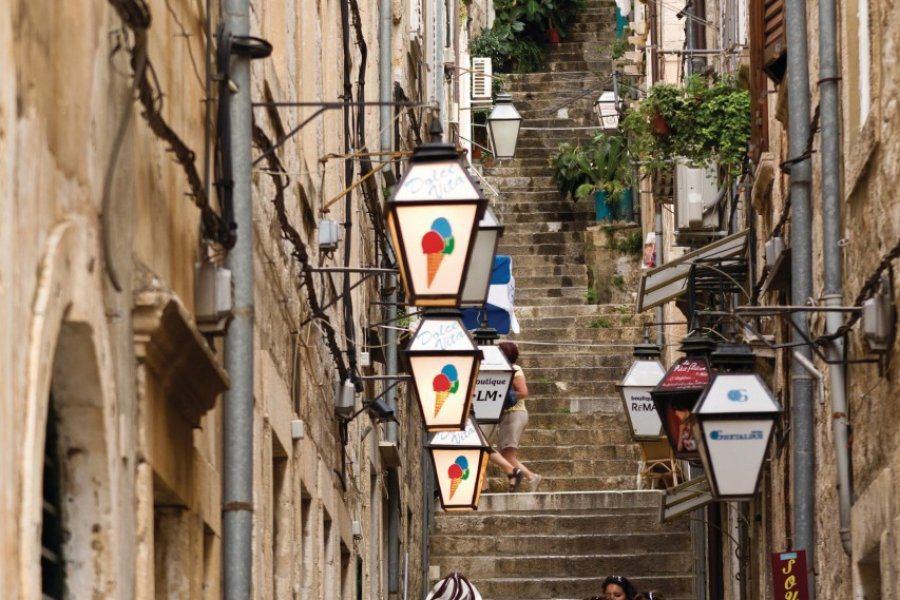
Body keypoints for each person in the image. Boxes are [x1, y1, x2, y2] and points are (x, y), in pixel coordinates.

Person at [497, 342, 542, 492]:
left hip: (514, 414)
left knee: (507, 455)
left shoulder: (514, 369)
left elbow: (523, 392)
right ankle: (516, 479)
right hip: (511, 415)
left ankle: (530, 477)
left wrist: (502, 395)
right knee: (505, 454)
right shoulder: (505, 369)